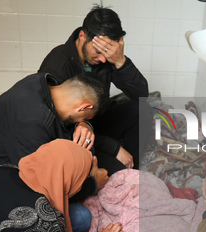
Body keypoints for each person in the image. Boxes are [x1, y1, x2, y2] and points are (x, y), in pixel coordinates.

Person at [0, 72, 108, 232]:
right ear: (83, 107)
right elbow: (46, 187)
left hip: (10, 160)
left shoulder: (43, 82)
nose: (83, 120)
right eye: (86, 116)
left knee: (85, 142)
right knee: (81, 218)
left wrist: (84, 124)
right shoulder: (32, 124)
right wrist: (92, 183)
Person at [38, 5, 152, 174]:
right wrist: (114, 148)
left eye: (108, 52)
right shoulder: (57, 66)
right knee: (119, 172)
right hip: (75, 135)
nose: (103, 58)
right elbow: (57, 130)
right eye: (98, 51)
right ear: (83, 36)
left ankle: (135, 171)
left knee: (141, 110)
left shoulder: (106, 58)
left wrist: (120, 61)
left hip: (97, 121)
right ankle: (125, 170)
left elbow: (140, 94)